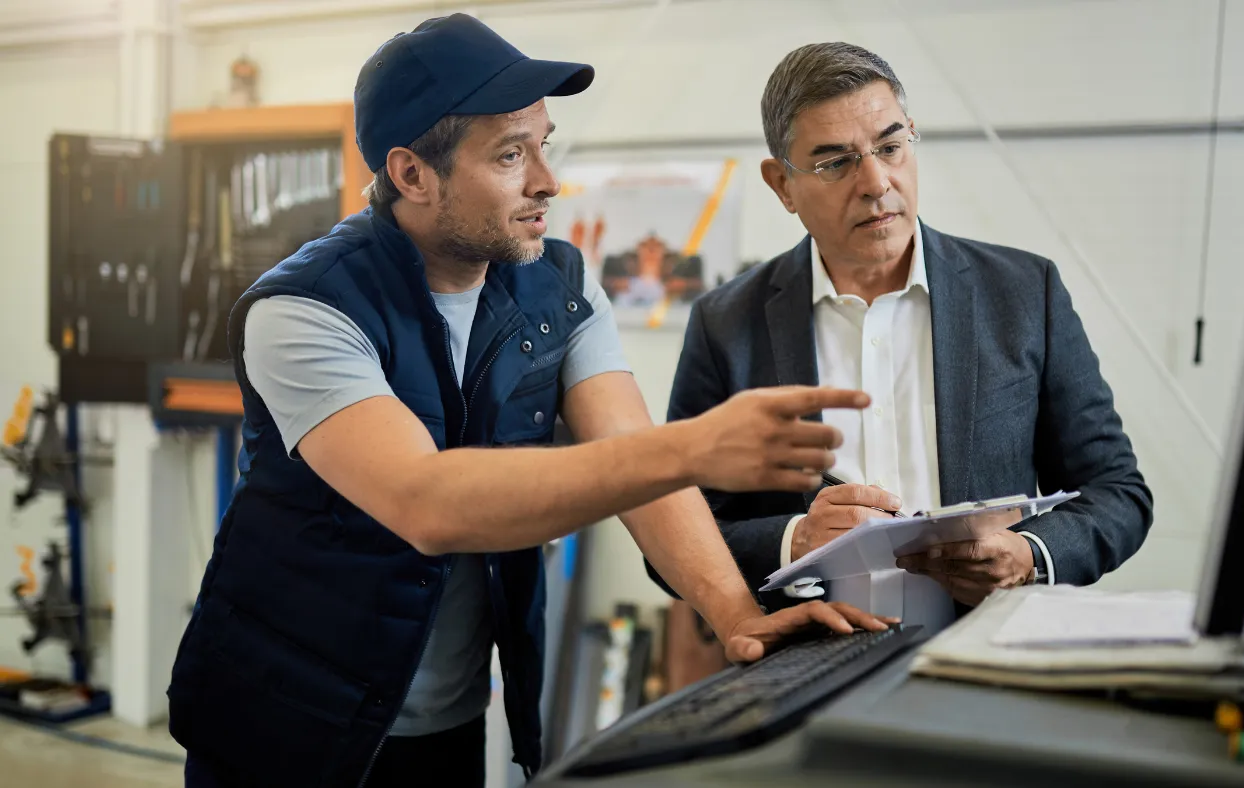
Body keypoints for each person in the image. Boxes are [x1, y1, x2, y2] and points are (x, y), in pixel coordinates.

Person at [168, 18, 892, 788]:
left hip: (445, 722)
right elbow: (427, 503)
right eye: (512, 155)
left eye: (545, 144)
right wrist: (696, 446)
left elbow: (635, 459)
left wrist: (735, 613)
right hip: (282, 727)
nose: (547, 180)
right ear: (412, 174)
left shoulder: (559, 285)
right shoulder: (304, 310)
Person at [652, 42, 1153, 627]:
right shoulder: (725, 325)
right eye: (835, 162)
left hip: (985, 653)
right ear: (782, 185)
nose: (875, 181)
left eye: (890, 147)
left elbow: (1118, 492)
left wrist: (1029, 554)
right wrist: (796, 538)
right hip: (804, 665)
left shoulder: (1023, 292)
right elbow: (670, 537)